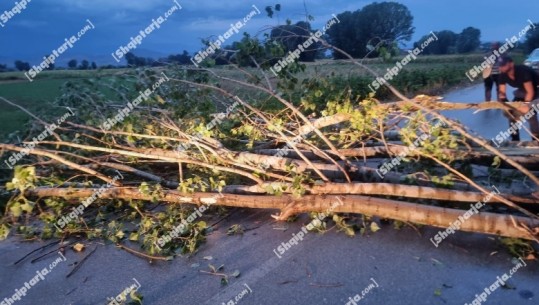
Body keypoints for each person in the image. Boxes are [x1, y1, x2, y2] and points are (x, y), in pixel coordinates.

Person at [497, 55, 539, 141]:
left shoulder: (522, 71)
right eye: (500, 65)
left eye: (503, 65)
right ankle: (515, 139)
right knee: (512, 114)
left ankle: (536, 139)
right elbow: (502, 93)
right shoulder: (502, 75)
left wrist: (526, 105)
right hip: (523, 91)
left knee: (530, 113)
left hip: (536, 90)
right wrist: (506, 105)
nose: (501, 67)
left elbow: (530, 92)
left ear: (511, 64)